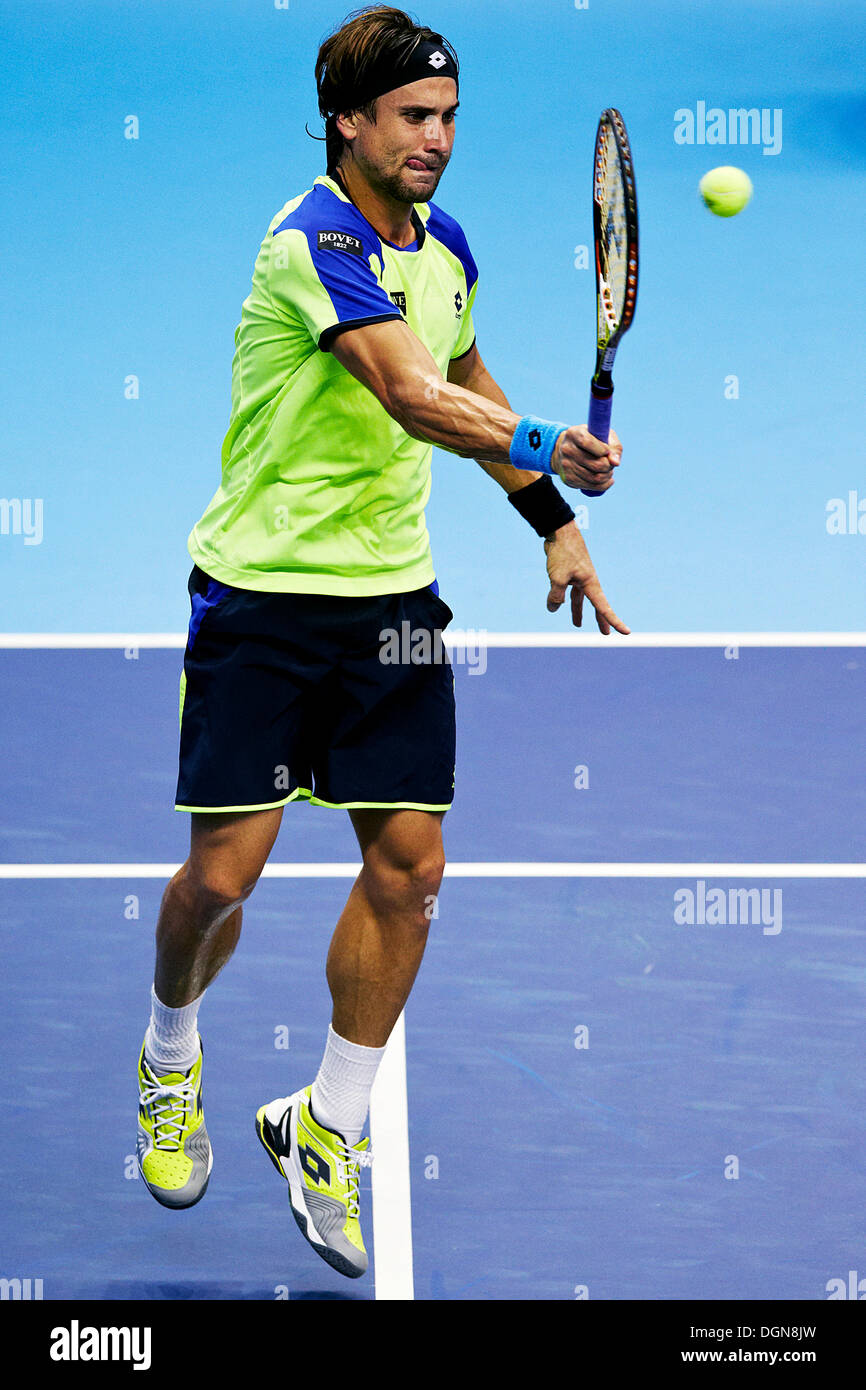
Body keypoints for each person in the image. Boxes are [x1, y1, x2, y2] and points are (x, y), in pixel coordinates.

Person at [136, 3, 629, 1281]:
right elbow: (413, 396)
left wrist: (548, 517)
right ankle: (170, 1052)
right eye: (413, 117)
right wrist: (541, 449)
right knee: (220, 883)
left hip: (390, 609)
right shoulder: (311, 241)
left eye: (449, 118)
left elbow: (466, 366)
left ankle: (326, 1124)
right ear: (348, 121)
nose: (436, 140)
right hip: (259, 601)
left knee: (411, 873)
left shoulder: (443, 242)